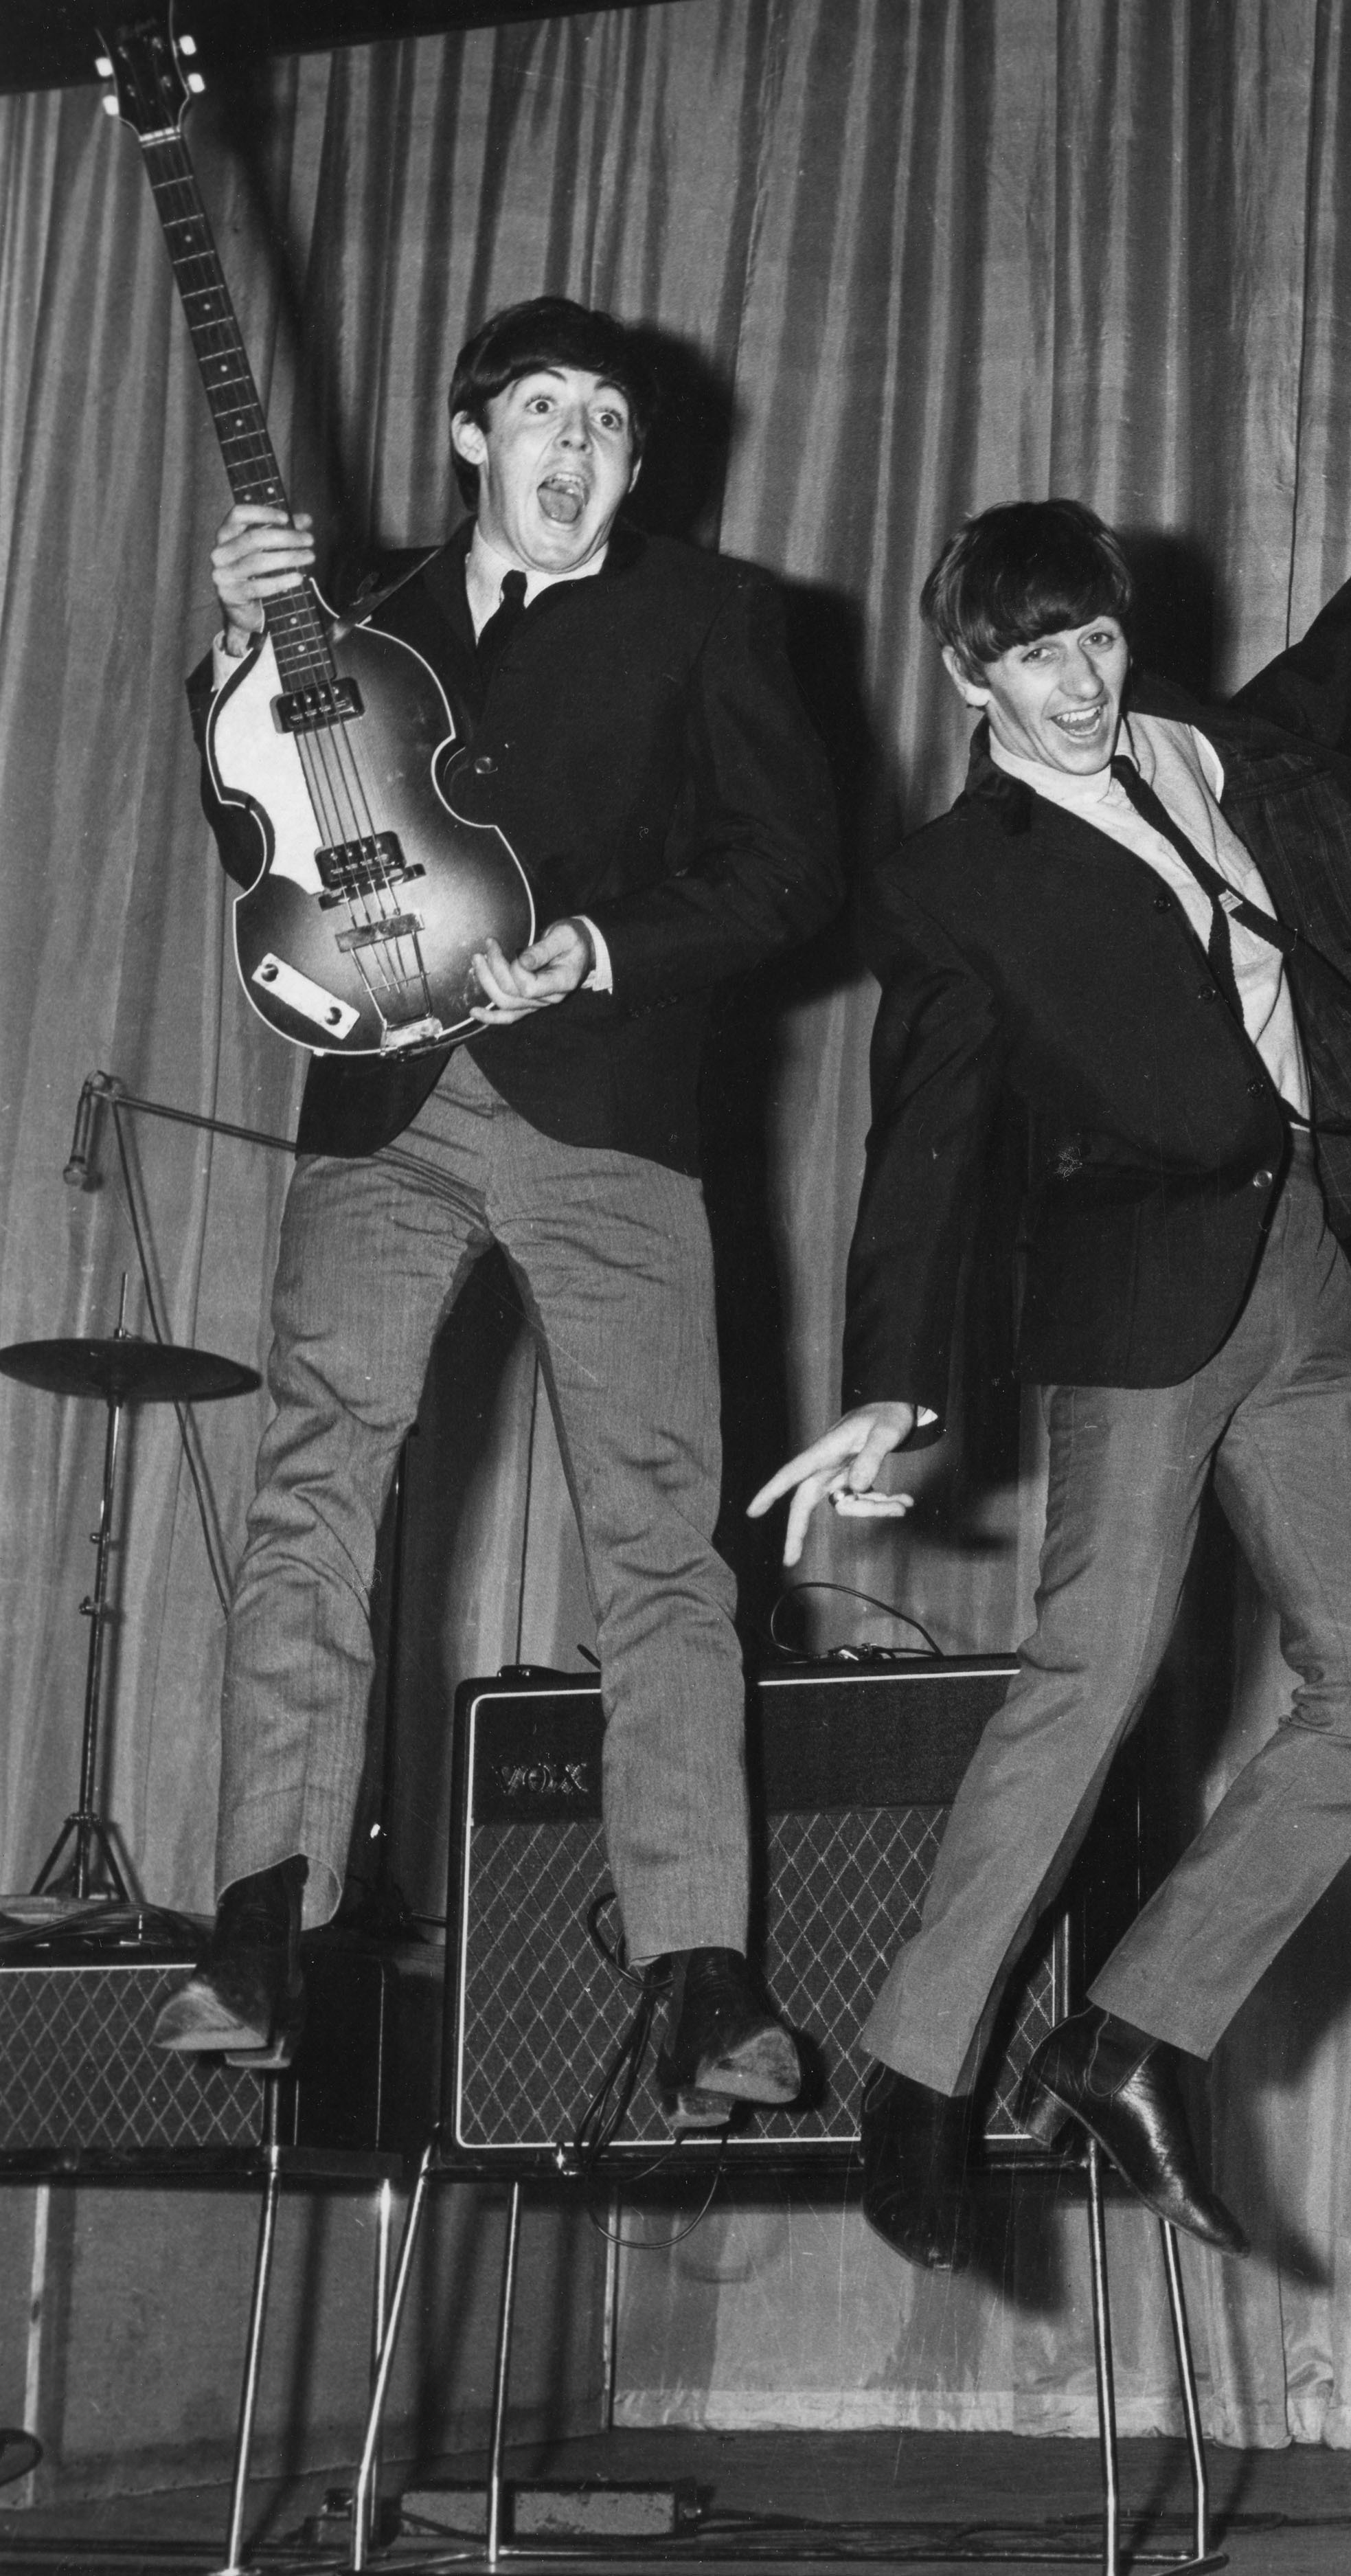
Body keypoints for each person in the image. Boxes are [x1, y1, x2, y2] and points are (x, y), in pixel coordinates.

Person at [751, 455, 1351, 2270]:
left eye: (1094, 639)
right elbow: (926, 1142)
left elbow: (1307, 708)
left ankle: (1129, 2038)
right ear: (970, 678)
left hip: (1301, 1268)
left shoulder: (1183, 741)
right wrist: (890, 1386)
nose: (1079, 682)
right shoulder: (955, 884)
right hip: (1141, 1302)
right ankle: (916, 2075)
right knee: (1090, 1674)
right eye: (1036, 658)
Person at [155, 297, 841, 2132]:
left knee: (663, 1543)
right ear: (473, 437)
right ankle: (263, 1917)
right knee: (312, 1493)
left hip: (606, 1112)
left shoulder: (712, 614)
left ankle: (696, 1972)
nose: (576, 444)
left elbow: (792, 870)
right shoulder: (354, 608)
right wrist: (237, 647)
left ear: (635, 465)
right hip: (384, 1104)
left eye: (609, 422)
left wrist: (606, 945)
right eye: (543, 409)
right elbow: (257, 831)